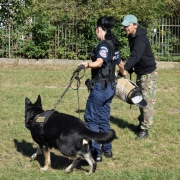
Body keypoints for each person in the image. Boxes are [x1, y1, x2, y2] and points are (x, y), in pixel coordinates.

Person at [81, 16, 124, 162]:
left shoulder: (104, 46)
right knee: (104, 119)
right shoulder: (114, 44)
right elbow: (121, 64)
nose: (96, 32)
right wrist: (123, 74)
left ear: (99, 29)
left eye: (96, 30)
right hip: (111, 88)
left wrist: (87, 64)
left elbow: (99, 63)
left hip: (100, 88)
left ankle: (96, 152)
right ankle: (107, 149)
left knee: (91, 119)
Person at [121, 14, 158, 140]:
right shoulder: (132, 36)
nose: (125, 27)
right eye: (124, 25)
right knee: (139, 99)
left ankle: (145, 129)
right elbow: (136, 56)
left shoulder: (140, 38)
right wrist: (132, 67)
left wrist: (125, 68)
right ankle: (141, 123)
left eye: (128, 25)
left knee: (146, 102)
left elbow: (136, 55)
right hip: (140, 71)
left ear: (135, 25)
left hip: (148, 73)